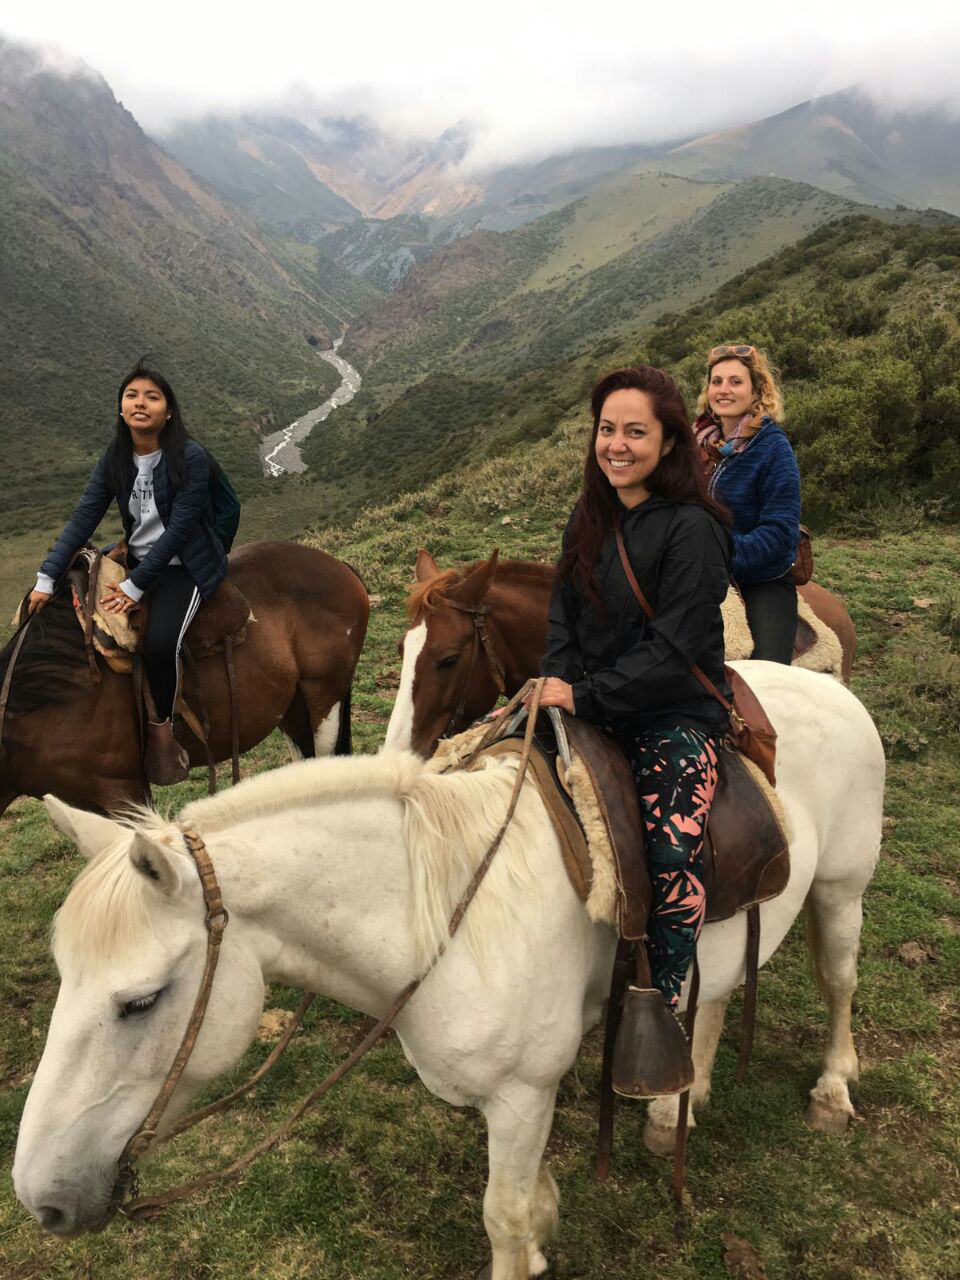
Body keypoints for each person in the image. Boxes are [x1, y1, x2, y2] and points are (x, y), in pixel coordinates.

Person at [538, 365, 731, 1095]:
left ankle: (661, 1010)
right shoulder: (589, 516)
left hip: (669, 711)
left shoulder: (696, 529)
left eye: (635, 432)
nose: (616, 445)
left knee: (672, 851)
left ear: (669, 439)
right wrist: (557, 685)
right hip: (585, 702)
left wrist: (586, 695)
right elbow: (563, 613)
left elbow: (676, 648)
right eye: (607, 430)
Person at [27, 359, 233, 784]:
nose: (141, 403)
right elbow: (83, 518)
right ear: (121, 407)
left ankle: (164, 732)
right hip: (137, 560)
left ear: (169, 411)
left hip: (184, 566)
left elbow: (180, 530)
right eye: (132, 395)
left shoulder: (189, 457)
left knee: (159, 644)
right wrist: (46, 578)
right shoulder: (116, 458)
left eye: (152, 397)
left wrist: (136, 586)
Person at [694, 343, 801, 663]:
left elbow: (781, 534)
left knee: (769, 676)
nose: (723, 390)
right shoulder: (699, 442)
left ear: (757, 391)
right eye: (717, 381)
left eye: (736, 382)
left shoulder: (773, 449)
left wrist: (719, 558)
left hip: (760, 579)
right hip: (696, 570)